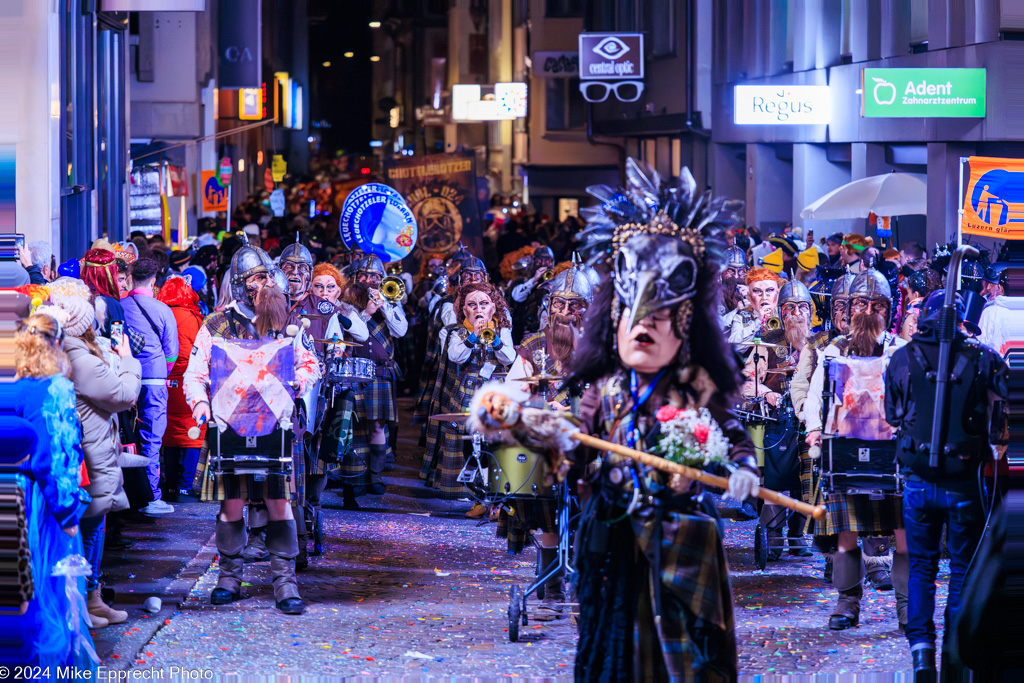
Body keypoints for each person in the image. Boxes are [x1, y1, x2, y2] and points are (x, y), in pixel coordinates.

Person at [506, 161, 758, 678]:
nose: (643, 330)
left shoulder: (694, 386)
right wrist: (557, 441)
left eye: (658, 321)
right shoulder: (605, 389)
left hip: (682, 543)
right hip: (615, 544)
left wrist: (745, 469)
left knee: (682, 659)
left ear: (682, 328)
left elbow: (733, 437)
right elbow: (576, 461)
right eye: (634, 320)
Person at [183, 247, 319, 615]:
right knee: (232, 506)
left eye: (268, 275)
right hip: (228, 427)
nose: (266, 283)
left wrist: (295, 385)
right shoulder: (216, 324)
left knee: (280, 504)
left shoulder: (285, 320)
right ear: (241, 284)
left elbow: (309, 364)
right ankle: (229, 577)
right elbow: (195, 374)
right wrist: (200, 405)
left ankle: (285, 581)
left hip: (274, 426)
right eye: (257, 278)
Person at [883, 290, 1008, 679]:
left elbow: (891, 413)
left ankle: (921, 652)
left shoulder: (901, 357)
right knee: (960, 572)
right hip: (963, 482)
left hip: (918, 481)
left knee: (921, 567)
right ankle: (954, 654)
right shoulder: (983, 357)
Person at [804, 269, 909, 631]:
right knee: (846, 532)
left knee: (902, 532)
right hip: (844, 452)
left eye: (877, 304)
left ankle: (906, 608)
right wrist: (814, 428)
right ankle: (847, 602)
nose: (869, 311)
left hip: (890, 454)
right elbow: (817, 393)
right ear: (850, 308)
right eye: (862, 303)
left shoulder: (900, 349)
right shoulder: (834, 349)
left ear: (888, 308)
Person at [46, 290, 141, 630]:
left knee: (90, 523)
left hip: (88, 447)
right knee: (91, 524)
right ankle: (86, 602)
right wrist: (130, 362)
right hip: (91, 450)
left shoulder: (68, 352)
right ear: (83, 325)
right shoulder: (79, 358)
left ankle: (92, 600)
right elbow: (121, 394)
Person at [501, 265, 592, 619]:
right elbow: (513, 392)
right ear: (549, 306)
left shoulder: (601, 348)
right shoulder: (532, 345)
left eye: (575, 306)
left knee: (590, 513)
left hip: (588, 442)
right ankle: (552, 587)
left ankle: (585, 583)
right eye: (560, 305)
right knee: (550, 516)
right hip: (546, 446)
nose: (566, 313)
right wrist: (536, 403)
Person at [5, 313, 95, 668]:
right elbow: (55, 458)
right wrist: (68, 513)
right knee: (48, 592)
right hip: (38, 504)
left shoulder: (11, 385)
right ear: (56, 344)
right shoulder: (55, 388)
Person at [422, 282, 515, 499]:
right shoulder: (455, 331)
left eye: (484, 304)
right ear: (464, 310)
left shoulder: (503, 329)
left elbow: (509, 358)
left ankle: (492, 490)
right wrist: (473, 334)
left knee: (493, 439)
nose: (478, 309)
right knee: (469, 439)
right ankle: (471, 490)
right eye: (472, 305)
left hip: (495, 390)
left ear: (493, 307)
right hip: (468, 389)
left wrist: (496, 339)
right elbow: (457, 356)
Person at [343, 254, 408, 497]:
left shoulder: (391, 300)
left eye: (377, 276)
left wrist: (387, 307)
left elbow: (400, 331)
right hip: (356, 370)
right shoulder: (348, 303)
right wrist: (368, 311)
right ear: (356, 278)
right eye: (365, 275)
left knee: (377, 426)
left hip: (380, 373)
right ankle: (355, 475)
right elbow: (351, 332)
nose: (371, 280)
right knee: (355, 426)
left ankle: (376, 475)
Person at [122, 257, 179, 515]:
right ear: (154, 280)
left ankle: (128, 495)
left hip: (123, 378)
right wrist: (160, 370)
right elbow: (172, 352)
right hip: (155, 380)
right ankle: (151, 496)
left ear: (131, 278)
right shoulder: (162, 309)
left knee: (124, 438)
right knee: (152, 438)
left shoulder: (120, 306)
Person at [157, 277, 206, 501]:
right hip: (187, 382)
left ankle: (170, 484)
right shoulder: (193, 318)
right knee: (193, 432)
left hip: (164, 381)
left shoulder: (160, 313)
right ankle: (187, 485)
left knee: (168, 431)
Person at [508, 246, 555, 344]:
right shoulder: (522, 281)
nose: (543, 264)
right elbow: (517, 297)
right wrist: (534, 280)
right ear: (533, 261)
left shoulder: (556, 282)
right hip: (524, 333)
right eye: (539, 260)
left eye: (547, 261)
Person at [727, 267, 782, 344]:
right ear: (749, 297)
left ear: (777, 293)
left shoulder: (783, 314)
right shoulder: (742, 316)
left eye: (769, 291)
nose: (764, 297)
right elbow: (733, 344)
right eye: (757, 291)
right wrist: (757, 322)